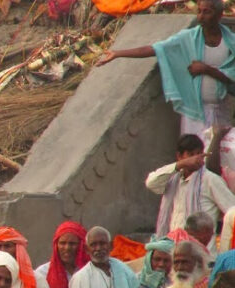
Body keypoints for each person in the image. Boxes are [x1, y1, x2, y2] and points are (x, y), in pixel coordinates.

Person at [97, 0, 235, 137]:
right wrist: (118, 54)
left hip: (221, 109)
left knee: (221, 153)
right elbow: (155, 49)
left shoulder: (230, 42)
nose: (201, 16)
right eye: (199, 11)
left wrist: (206, 69)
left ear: (219, 15)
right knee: (196, 155)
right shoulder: (188, 38)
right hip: (195, 113)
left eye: (207, 12)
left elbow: (231, 78)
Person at [145, 134, 235, 240]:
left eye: (199, 154)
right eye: (191, 154)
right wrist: (180, 164)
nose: (196, 158)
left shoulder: (210, 180)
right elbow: (151, 183)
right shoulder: (172, 179)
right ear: (179, 156)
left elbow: (232, 212)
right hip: (173, 248)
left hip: (201, 251)